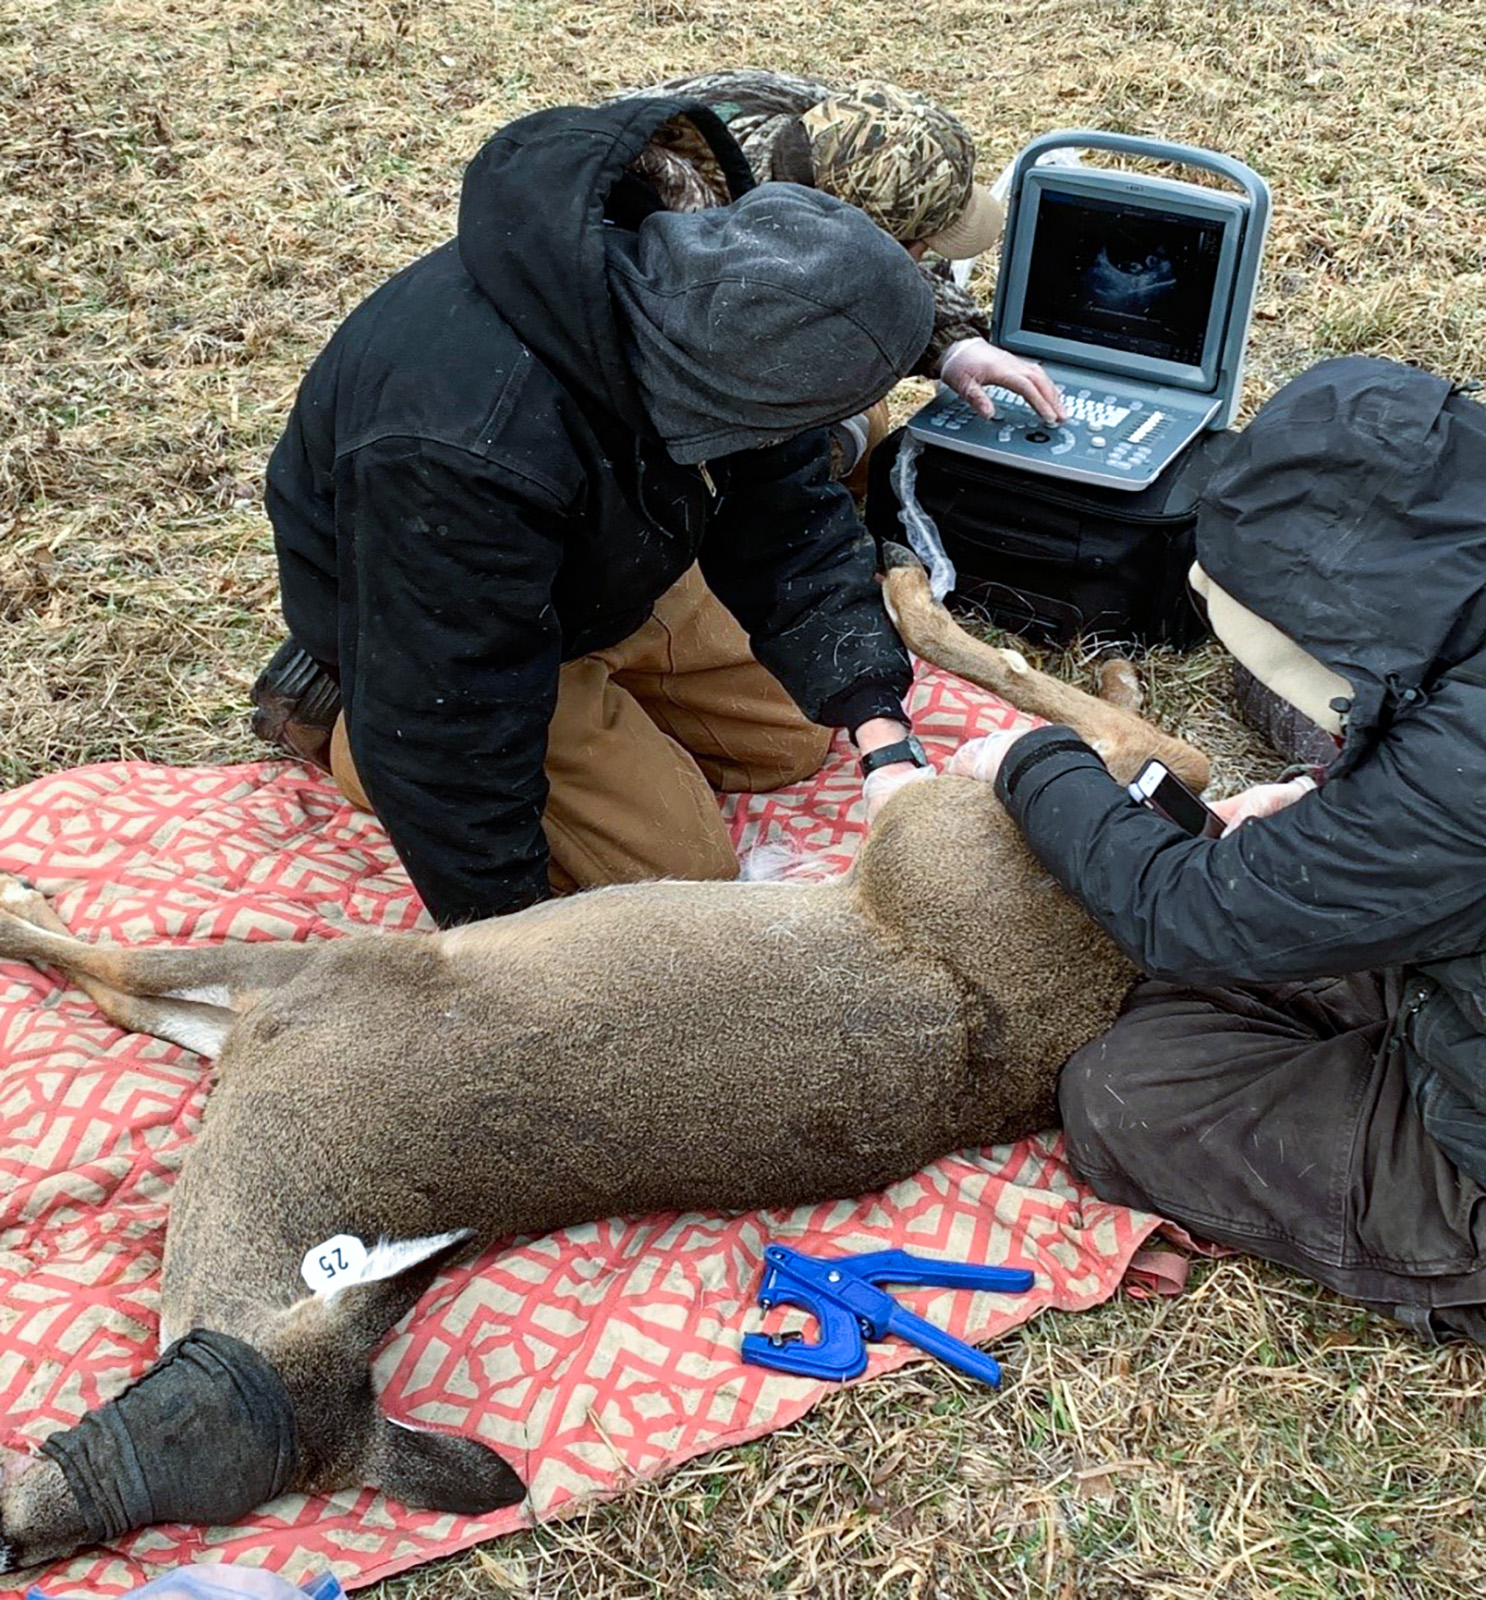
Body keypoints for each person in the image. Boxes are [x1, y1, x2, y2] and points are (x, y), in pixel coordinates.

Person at [253, 96, 941, 928]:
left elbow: (788, 509)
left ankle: (610, 713)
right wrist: (509, 945)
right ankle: (348, 730)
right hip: (438, 634)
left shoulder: (716, 317)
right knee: (678, 875)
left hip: (600, 562)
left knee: (792, 737)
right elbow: (453, 727)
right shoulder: (461, 443)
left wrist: (885, 741)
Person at [946, 356, 1486, 1342]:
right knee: (1190, 987)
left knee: (1123, 1091)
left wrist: (1034, 763)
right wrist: (1336, 808)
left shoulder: (1456, 777)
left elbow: (1179, 915)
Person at [607, 70, 1066, 456]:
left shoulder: (828, 127)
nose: (923, 262)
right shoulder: (692, 237)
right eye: (922, 247)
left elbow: (881, 252)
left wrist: (955, 346)